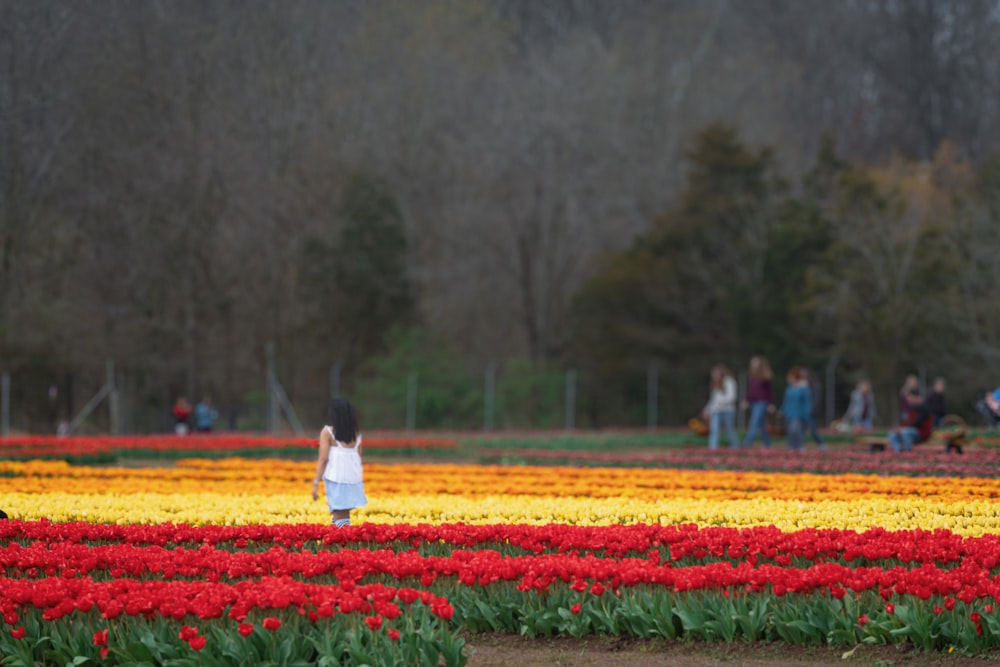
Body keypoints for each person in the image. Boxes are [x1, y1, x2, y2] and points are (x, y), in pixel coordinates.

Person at [312, 396, 367, 528]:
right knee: (343, 514)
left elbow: (323, 459)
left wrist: (315, 482)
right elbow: (359, 457)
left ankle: (343, 542)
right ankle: (340, 540)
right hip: (353, 479)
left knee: (338, 514)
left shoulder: (328, 432)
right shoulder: (356, 434)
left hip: (336, 478)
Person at [702, 364, 738, 450]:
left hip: (728, 410)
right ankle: (713, 448)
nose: (714, 376)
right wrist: (707, 409)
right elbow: (713, 399)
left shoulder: (729, 381)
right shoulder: (715, 384)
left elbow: (732, 397)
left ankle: (735, 447)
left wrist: (721, 402)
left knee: (730, 430)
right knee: (714, 430)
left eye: (716, 374)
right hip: (716, 411)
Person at [741, 355, 774, 449]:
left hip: (762, 402)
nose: (753, 364)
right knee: (761, 424)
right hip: (753, 402)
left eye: (755, 362)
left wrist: (771, 403)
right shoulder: (752, 376)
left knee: (754, 422)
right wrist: (747, 400)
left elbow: (770, 391)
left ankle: (747, 443)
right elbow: (750, 390)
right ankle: (767, 443)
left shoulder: (766, 376)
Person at [780, 367, 811, 451]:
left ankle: (800, 445)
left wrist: (806, 413)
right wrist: (782, 410)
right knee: (789, 431)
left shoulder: (803, 388)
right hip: (789, 412)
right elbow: (786, 401)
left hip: (798, 413)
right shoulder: (789, 388)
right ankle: (791, 446)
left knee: (795, 430)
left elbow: (806, 402)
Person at [804, 368, 826, 451]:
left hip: (811, 412)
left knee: (812, 430)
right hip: (802, 412)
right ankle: (800, 446)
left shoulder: (815, 386)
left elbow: (817, 400)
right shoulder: (804, 387)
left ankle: (821, 444)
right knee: (799, 430)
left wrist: (812, 410)